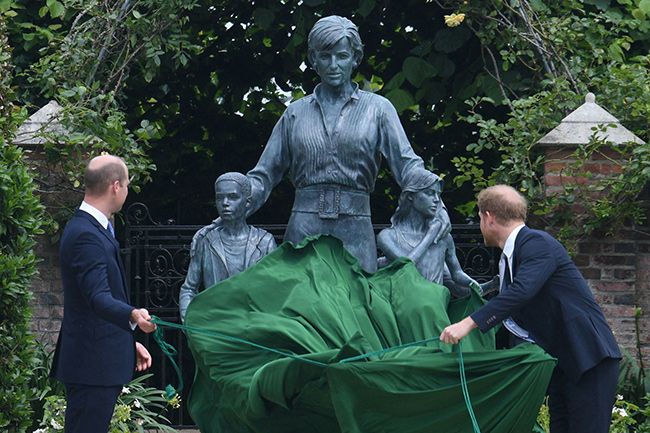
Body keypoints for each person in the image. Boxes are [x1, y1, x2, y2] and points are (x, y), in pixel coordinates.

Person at [245, 15, 449, 272]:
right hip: (304, 229)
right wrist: (239, 203)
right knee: (299, 305)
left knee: (358, 305)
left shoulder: (378, 110)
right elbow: (263, 175)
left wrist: (437, 204)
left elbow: (407, 166)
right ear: (313, 59)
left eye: (341, 56)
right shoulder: (295, 113)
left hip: (355, 229)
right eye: (325, 56)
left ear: (355, 58)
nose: (333, 65)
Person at [439, 185, 621, 433]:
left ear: (488, 217)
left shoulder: (537, 243)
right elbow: (514, 312)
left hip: (589, 359)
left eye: (480, 217)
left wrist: (467, 324)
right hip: (564, 364)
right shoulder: (514, 255)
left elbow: (522, 292)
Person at [50, 154, 157, 433]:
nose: (126, 192)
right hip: (91, 366)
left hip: (96, 360)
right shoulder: (86, 234)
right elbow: (98, 298)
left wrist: (127, 343)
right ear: (115, 186)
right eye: (127, 185)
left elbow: (92, 305)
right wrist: (133, 315)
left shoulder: (98, 228)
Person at [179, 172, 276, 322]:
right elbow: (189, 289)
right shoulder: (207, 242)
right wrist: (190, 324)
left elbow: (275, 291)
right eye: (219, 197)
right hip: (215, 328)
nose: (225, 203)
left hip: (253, 331)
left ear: (248, 202)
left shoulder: (265, 242)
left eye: (232, 197)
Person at [377, 170, 478, 297]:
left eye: (438, 194)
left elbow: (456, 277)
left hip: (436, 309)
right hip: (402, 309)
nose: (436, 200)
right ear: (410, 196)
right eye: (430, 193)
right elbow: (406, 267)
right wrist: (430, 235)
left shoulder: (443, 238)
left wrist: (483, 285)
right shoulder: (387, 237)